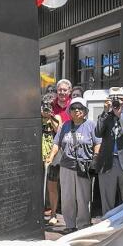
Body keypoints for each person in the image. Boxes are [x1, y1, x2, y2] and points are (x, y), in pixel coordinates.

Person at [46, 97, 95, 232]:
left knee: (83, 197)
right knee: (67, 197)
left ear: (85, 111)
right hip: (66, 166)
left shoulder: (91, 125)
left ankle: (84, 225)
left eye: (80, 108)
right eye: (73, 108)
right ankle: (70, 225)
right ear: (70, 111)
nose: (77, 111)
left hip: (83, 167)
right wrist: (51, 156)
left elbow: (98, 143)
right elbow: (57, 143)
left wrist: (95, 157)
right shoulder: (66, 126)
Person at [94, 87, 123, 213]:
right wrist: (105, 111)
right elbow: (98, 133)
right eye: (113, 99)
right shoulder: (105, 116)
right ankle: (108, 226)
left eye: (119, 99)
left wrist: (121, 116)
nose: (116, 102)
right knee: (107, 200)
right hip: (107, 162)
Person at [40, 96, 62, 224]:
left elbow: (59, 132)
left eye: (49, 105)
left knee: (52, 187)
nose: (47, 108)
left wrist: (50, 117)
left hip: (52, 157)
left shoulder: (56, 117)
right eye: (44, 105)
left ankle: (53, 214)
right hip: (39, 155)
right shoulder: (37, 117)